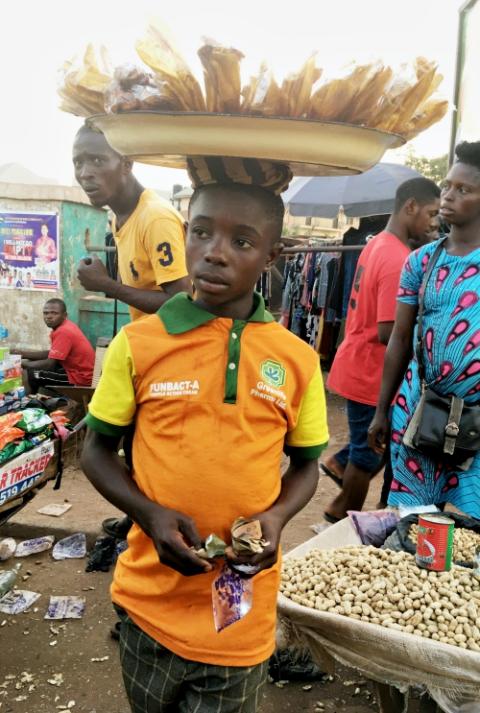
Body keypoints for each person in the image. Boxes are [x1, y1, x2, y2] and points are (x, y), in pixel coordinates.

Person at [81, 156, 329, 713]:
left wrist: (276, 518)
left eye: (242, 241)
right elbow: (94, 451)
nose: (215, 252)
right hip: (150, 602)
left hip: (242, 613)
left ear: (272, 256)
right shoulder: (140, 344)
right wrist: (147, 513)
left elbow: (308, 464)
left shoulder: (296, 360)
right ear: (186, 233)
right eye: (201, 231)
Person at [369, 141, 480, 517]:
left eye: (463, 190)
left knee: (471, 531)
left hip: (478, 422)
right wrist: (382, 410)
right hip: (419, 413)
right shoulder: (421, 261)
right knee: (414, 523)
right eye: (447, 185)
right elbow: (400, 337)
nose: (447, 196)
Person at [322, 178, 440, 522]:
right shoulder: (398, 258)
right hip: (370, 372)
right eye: (431, 213)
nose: (435, 222)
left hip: (359, 363)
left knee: (373, 450)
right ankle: (341, 515)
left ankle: (346, 488)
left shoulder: (377, 244)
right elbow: (390, 331)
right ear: (411, 207)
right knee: (368, 456)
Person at [73, 124, 192, 321]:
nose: (85, 173)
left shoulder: (156, 219)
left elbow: (180, 303)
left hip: (172, 348)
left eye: (97, 160)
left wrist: (106, 284)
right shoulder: (120, 219)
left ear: (127, 164)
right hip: (145, 341)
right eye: (78, 163)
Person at [19, 298, 95, 393]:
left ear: (65, 315)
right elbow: (52, 353)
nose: (49, 317)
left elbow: (49, 364)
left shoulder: (64, 331)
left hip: (80, 378)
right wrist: (21, 354)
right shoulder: (64, 326)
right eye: (46, 313)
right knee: (30, 362)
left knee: (30, 373)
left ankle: (29, 402)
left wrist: (20, 364)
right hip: (75, 371)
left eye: (54, 313)